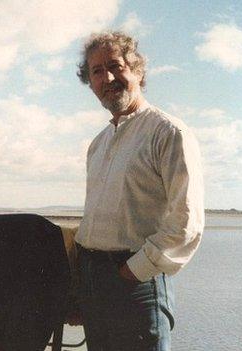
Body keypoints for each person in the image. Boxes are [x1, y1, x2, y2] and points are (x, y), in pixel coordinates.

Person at [74, 31, 204, 351]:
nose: (107, 78)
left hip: (138, 285)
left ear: (138, 70)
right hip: (95, 283)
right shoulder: (98, 144)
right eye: (97, 71)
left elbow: (186, 222)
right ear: (90, 83)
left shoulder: (168, 132)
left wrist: (133, 272)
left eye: (115, 66)